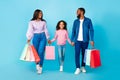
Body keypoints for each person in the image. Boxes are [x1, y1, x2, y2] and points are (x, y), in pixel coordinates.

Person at [71, 8, 94, 74]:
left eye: (77, 11)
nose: (76, 12)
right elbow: (73, 31)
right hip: (77, 41)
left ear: (82, 12)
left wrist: (92, 39)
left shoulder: (88, 20)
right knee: (77, 54)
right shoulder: (75, 21)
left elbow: (91, 30)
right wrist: (72, 40)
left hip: (85, 40)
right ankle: (77, 68)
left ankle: (83, 66)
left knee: (84, 54)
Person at [26, 9, 50, 74]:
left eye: (41, 13)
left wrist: (48, 38)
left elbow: (46, 30)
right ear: (36, 14)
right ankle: (37, 64)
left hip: (43, 37)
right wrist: (29, 38)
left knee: (41, 52)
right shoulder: (31, 22)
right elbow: (30, 30)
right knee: (35, 52)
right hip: (35, 37)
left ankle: (41, 67)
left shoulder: (44, 22)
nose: (41, 15)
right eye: (39, 13)